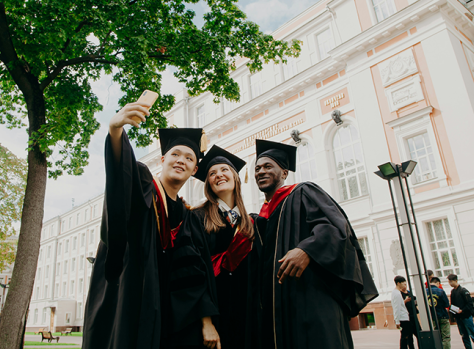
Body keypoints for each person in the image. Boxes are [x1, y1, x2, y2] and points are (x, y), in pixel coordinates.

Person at [82, 101, 219, 349]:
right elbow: (119, 175)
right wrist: (115, 131)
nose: (181, 160)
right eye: (175, 154)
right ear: (163, 158)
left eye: (189, 157)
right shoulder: (143, 184)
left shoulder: (189, 218)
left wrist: (206, 321)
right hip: (130, 295)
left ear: (195, 168)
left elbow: (195, 275)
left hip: (168, 313)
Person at [251, 139, 378, 349]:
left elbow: (335, 227)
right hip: (280, 309)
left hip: (312, 299)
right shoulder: (262, 218)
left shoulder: (303, 192)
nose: (260, 171)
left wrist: (306, 249)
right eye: (257, 168)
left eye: (267, 166)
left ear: (284, 173)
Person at [193, 145, 254, 349]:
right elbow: (192, 271)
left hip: (247, 318)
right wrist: (206, 321)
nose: (219, 175)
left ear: (236, 177)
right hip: (214, 319)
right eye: (212, 173)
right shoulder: (197, 218)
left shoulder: (251, 225)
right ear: (208, 183)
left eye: (224, 170)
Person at [448, 273, 474, 349]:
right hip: (459, 318)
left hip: (466, 317)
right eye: (449, 282)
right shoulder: (452, 292)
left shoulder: (463, 291)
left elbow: (470, 304)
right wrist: (454, 314)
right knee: (464, 335)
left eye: (451, 281)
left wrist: (462, 310)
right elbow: (452, 305)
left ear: (456, 280)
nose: (450, 283)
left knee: (472, 333)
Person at [391, 276, 415, 349]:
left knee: (405, 337)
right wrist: (397, 321)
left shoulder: (396, 292)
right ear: (398, 283)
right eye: (403, 283)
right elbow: (397, 308)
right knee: (405, 337)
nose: (404, 285)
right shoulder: (397, 294)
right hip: (403, 318)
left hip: (403, 317)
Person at [426, 277, 451, 349]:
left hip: (432, 318)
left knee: (435, 336)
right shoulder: (441, 291)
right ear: (438, 283)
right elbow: (446, 304)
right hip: (443, 316)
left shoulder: (424, 291)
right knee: (446, 337)